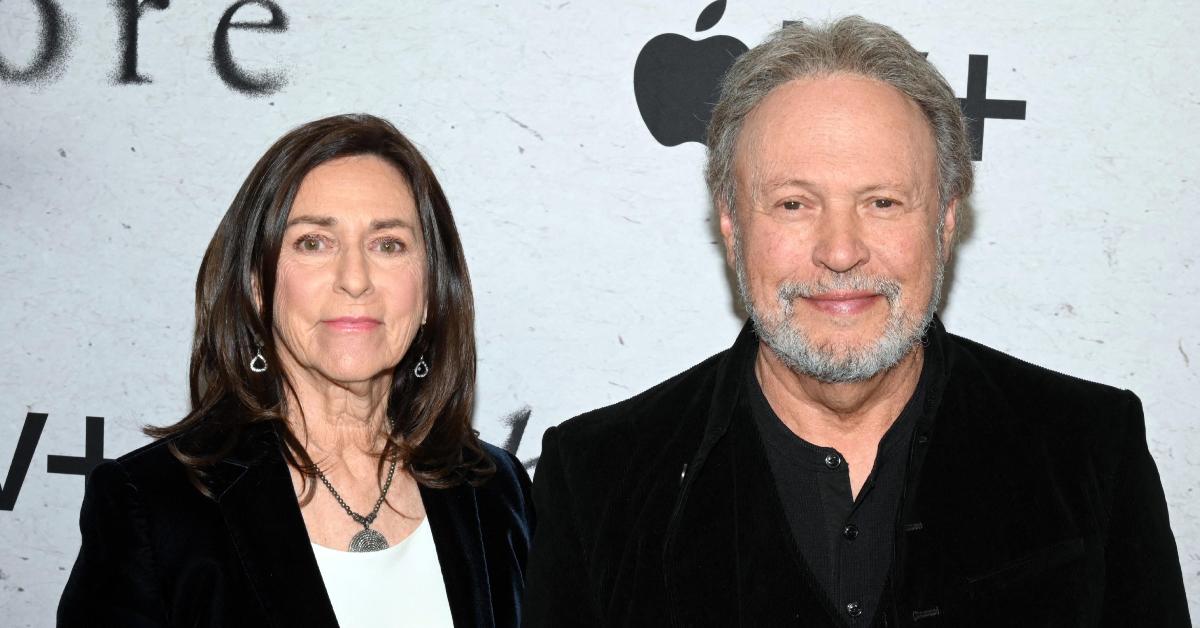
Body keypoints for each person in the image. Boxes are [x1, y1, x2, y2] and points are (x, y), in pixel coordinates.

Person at [522, 17, 1190, 627]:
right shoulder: (596, 482)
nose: (840, 251)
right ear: (731, 225)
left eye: (882, 201)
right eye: (792, 203)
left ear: (946, 218)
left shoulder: (1091, 451)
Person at [58, 114, 533, 627]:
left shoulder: (494, 490)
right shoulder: (153, 506)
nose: (355, 279)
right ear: (258, 286)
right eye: (314, 242)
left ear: (431, 294)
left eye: (388, 244)